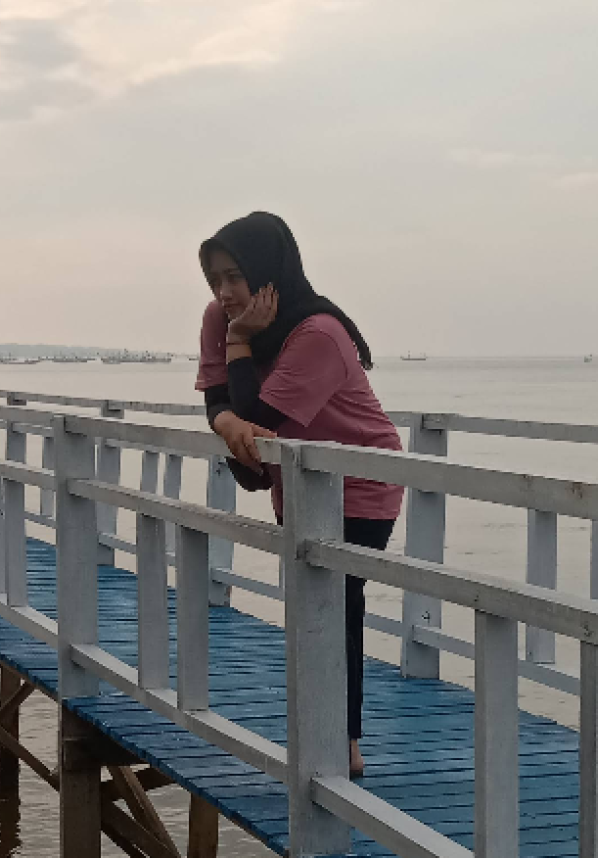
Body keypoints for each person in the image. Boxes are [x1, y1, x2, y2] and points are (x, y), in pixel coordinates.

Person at [195, 211, 404, 777]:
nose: (225, 291)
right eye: (216, 278)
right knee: (314, 606)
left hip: (359, 478)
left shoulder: (318, 334)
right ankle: (332, 737)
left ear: (272, 270)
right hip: (297, 477)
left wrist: (240, 344)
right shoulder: (219, 314)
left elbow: (258, 422)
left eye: (237, 276)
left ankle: (343, 744)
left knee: (335, 603)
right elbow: (220, 403)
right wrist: (223, 424)